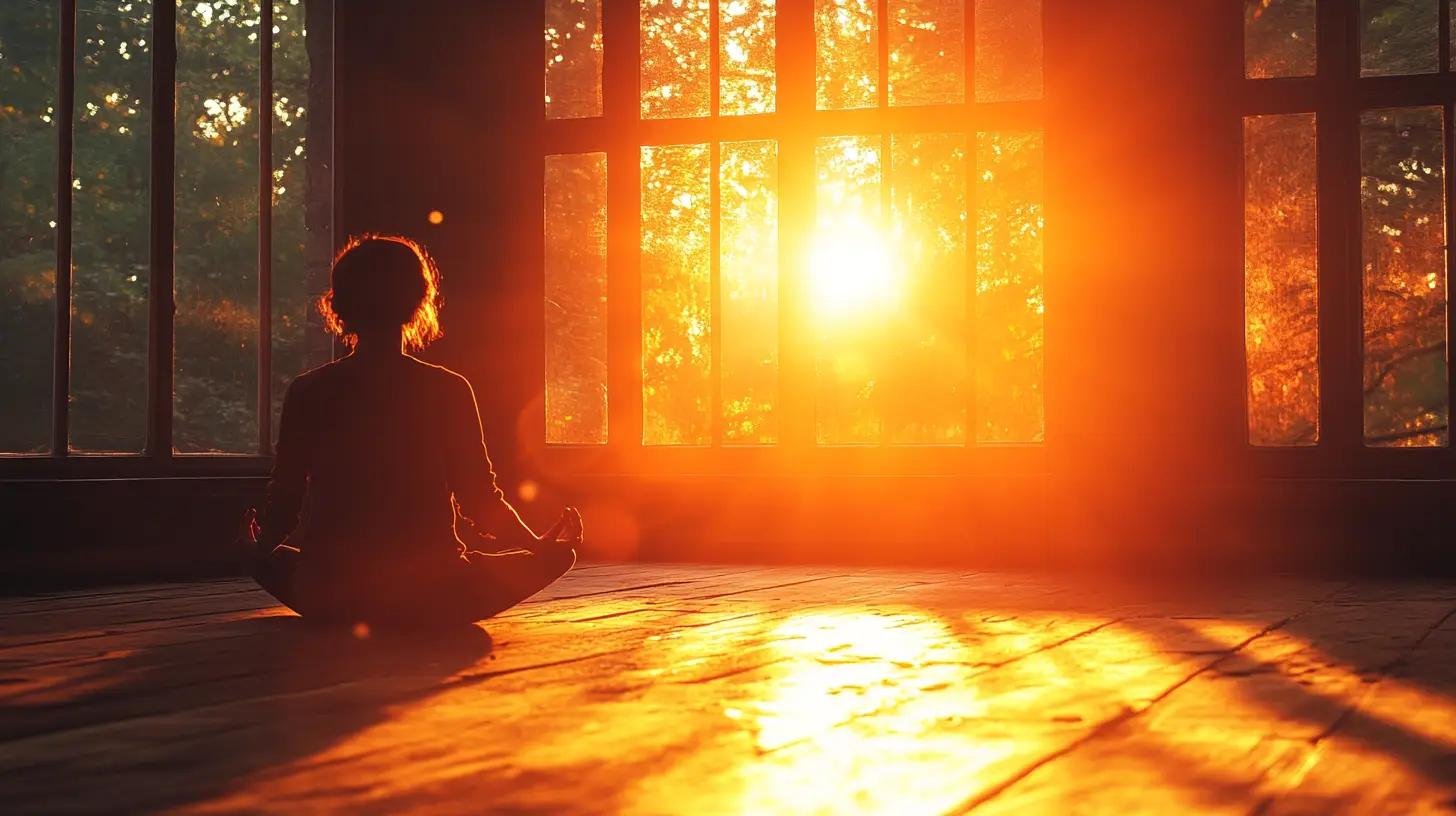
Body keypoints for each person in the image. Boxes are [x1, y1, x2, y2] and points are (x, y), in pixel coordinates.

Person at [246, 234, 581, 625]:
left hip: (331, 592)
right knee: (561, 556)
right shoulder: (449, 388)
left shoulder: (308, 390)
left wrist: (257, 549)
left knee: (264, 557)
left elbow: (286, 497)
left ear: (338, 305)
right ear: (419, 302)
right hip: (434, 594)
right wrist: (536, 546)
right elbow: (478, 496)